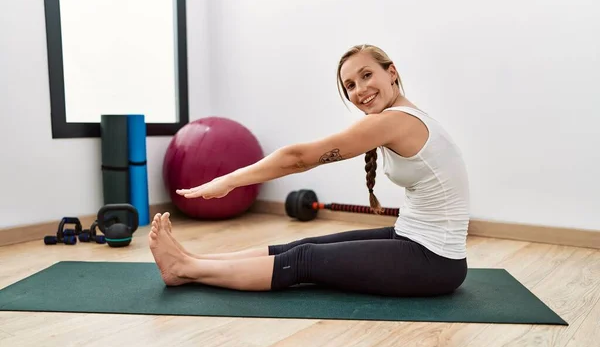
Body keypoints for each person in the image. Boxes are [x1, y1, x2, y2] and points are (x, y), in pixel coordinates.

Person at [149, 44, 470, 297]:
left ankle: (186, 270)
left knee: (304, 260)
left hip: (435, 261)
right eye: (350, 85)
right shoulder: (401, 117)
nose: (359, 89)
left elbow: (300, 158)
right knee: (300, 246)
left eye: (367, 75)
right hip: (410, 237)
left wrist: (230, 180)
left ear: (392, 73)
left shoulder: (395, 121)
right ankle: (194, 259)